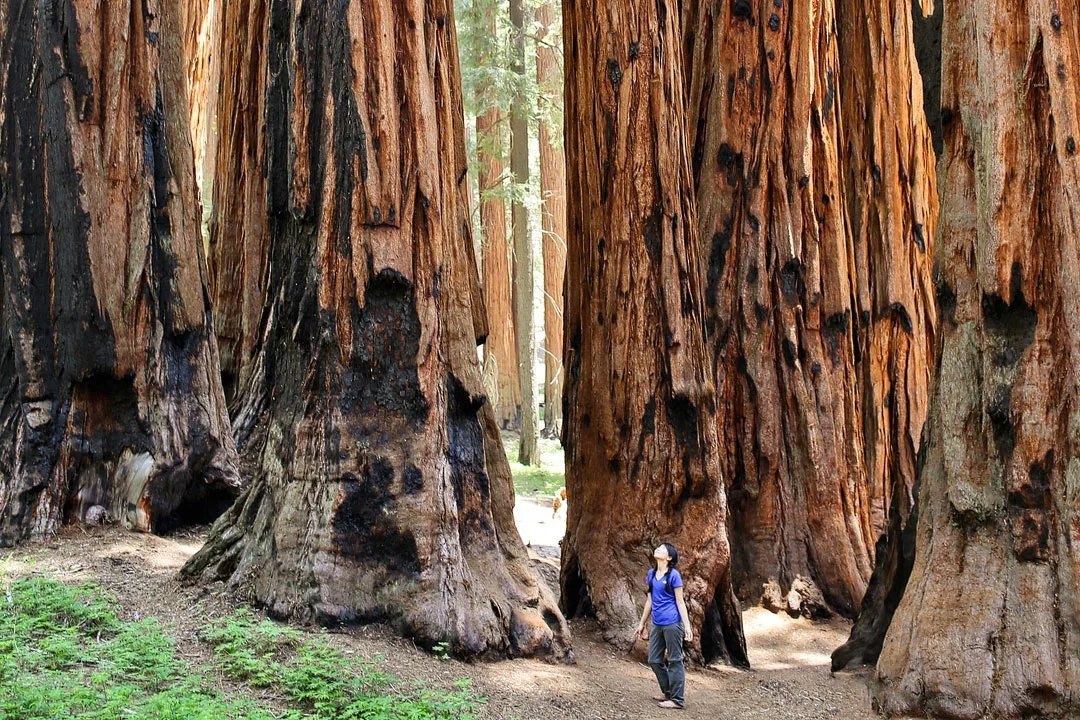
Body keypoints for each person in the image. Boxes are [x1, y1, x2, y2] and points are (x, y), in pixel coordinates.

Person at [635, 542, 692, 710]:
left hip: (673, 623)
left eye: (662, 549)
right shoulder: (651, 574)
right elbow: (650, 600)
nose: (657, 549)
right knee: (653, 659)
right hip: (657, 624)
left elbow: (680, 602)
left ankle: (677, 699)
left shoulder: (674, 575)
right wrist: (641, 623)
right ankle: (667, 691)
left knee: (675, 660)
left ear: (668, 557)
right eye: (657, 547)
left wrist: (687, 627)